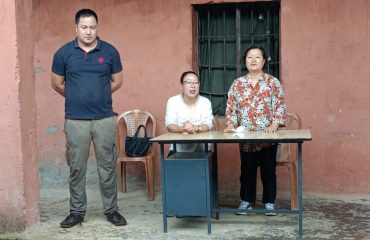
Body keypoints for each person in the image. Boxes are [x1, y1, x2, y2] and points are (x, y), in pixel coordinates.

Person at [51, 9, 127, 228]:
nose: (88, 31)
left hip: (103, 118)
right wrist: (76, 96)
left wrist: (99, 95)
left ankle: (112, 211)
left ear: (97, 27)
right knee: (76, 167)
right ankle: (76, 212)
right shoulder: (64, 53)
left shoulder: (110, 51)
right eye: (84, 27)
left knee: (107, 166)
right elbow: (57, 84)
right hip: (75, 120)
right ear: (76, 28)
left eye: (92, 27)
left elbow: (117, 81)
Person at [223, 46, 286, 216]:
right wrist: (231, 124)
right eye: (250, 57)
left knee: (268, 170)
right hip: (246, 137)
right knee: (247, 170)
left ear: (264, 61)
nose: (253, 60)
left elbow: (279, 105)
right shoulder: (238, 84)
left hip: (267, 136)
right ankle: (246, 201)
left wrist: (275, 123)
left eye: (257, 57)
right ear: (245, 61)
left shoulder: (272, 82)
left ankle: (269, 203)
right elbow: (231, 108)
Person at [165, 71, 213, 154]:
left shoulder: (205, 102)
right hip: (178, 150)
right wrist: (183, 129)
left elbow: (208, 124)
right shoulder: (173, 101)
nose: (193, 85)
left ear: (199, 85)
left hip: (202, 149)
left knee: (209, 163)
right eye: (189, 82)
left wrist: (196, 128)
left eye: (195, 82)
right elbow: (170, 124)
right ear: (182, 86)